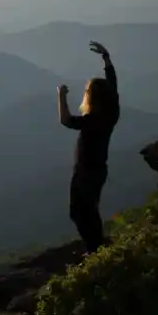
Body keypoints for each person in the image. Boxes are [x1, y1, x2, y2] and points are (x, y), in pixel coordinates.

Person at [57, 41, 120, 253]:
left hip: (86, 172)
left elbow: (66, 120)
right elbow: (113, 84)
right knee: (88, 210)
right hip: (97, 170)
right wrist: (106, 58)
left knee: (80, 212)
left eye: (86, 91)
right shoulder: (111, 113)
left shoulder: (93, 119)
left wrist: (61, 96)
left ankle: (96, 249)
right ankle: (96, 247)